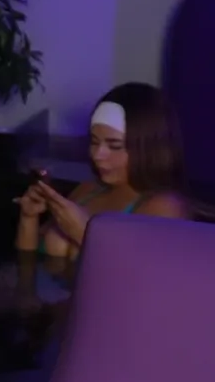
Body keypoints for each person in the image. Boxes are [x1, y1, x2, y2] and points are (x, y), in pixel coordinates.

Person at [16, 82, 190, 258]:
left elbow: (144, 271)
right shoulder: (87, 190)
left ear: (150, 149)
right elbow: (27, 261)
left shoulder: (164, 208)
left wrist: (84, 233)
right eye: (94, 141)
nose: (97, 155)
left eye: (114, 146)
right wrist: (29, 217)